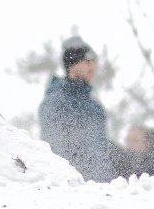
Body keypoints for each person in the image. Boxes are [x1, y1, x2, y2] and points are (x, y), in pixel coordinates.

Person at [37, 37, 114, 183]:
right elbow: (56, 148)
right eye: (87, 61)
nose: (92, 66)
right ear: (72, 65)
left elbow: (101, 152)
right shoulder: (55, 103)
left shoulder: (95, 108)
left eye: (94, 61)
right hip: (70, 188)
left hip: (102, 188)